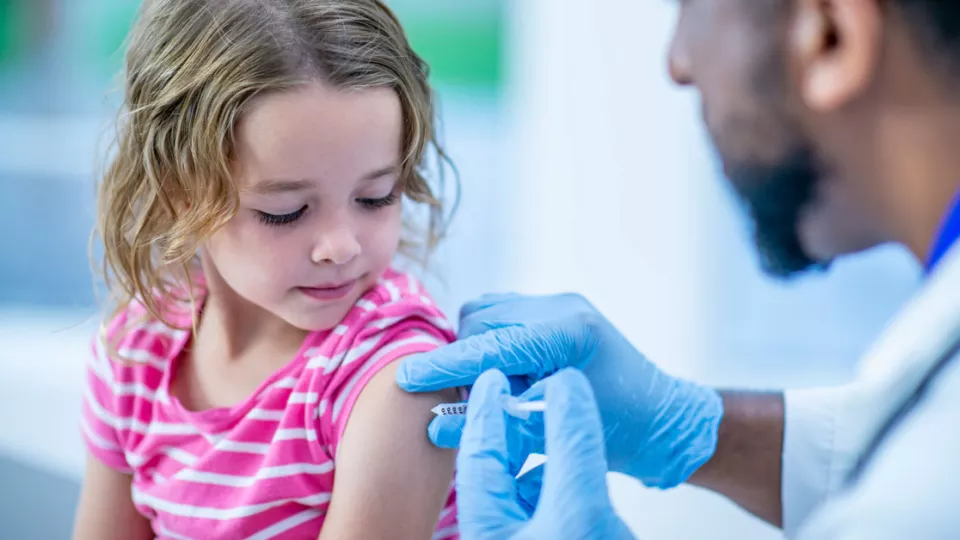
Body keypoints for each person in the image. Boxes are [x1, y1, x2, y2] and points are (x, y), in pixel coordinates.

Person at [397, 0, 960, 538]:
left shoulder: (913, 502)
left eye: (689, 8)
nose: (678, 63)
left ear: (830, 36)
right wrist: (694, 429)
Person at [71, 1, 462, 539]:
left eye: (376, 196)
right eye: (287, 211)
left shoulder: (397, 376)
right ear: (179, 190)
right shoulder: (137, 350)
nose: (341, 246)